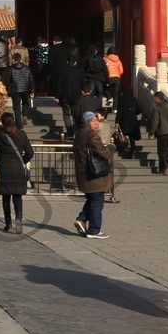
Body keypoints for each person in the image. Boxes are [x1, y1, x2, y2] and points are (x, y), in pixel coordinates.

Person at [0, 110, 34, 233]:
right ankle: (18, 218)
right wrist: (22, 161)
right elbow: (30, 152)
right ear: (13, 120)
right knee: (17, 196)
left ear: (2, 122)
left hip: (4, 168)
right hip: (17, 169)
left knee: (6, 197)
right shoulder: (21, 134)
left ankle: (8, 223)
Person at [72, 109, 113, 238]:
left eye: (97, 121)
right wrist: (111, 147)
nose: (96, 123)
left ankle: (82, 219)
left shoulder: (80, 134)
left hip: (83, 173)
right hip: (93, 174)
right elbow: (104, 153)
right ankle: (94, 230)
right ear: (88, 122)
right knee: (97, 201)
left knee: (92, 199)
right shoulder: (92, 136)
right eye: (94, 121)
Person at [52, 46, 83, 137]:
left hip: (65, 96)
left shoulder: (63, 71)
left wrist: (57, 96)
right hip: (76, 96)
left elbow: (59, 85)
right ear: (75, 63)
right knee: (76, 115)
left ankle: (69, 132)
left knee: (66, 115)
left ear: (67, 62)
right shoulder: (79, 72)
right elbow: (83, 83)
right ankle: (76, 131)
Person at [151, 89, 168, 174]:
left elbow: (155, 122)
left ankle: (163, 169)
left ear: (157, 98)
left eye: (154, 98)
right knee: (165, 145)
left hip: (162, 131)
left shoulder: (157, 109)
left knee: (161, 151)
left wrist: (151, 132)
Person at [113, 85, 142, 160]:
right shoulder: (134, 99)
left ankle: (122, 148)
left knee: (122, 134)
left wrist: (117, 121)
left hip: (124, 118)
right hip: (132, 119)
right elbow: (139, 109)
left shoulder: (121, 98)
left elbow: (119, 111)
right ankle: (132, 151)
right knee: (132, 136)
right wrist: (133, 113)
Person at [6, 53, 33, 129]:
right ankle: (25, 115)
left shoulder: (10, 69)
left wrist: (6, 88)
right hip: (25, 89)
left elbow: (7, 80)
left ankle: (19, 125)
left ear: (13, 60)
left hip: (15, 89)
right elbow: (31, 80)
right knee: (25, 103)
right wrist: (32, 90)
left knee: (17, 107)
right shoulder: (27, 68)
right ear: (20, 60)